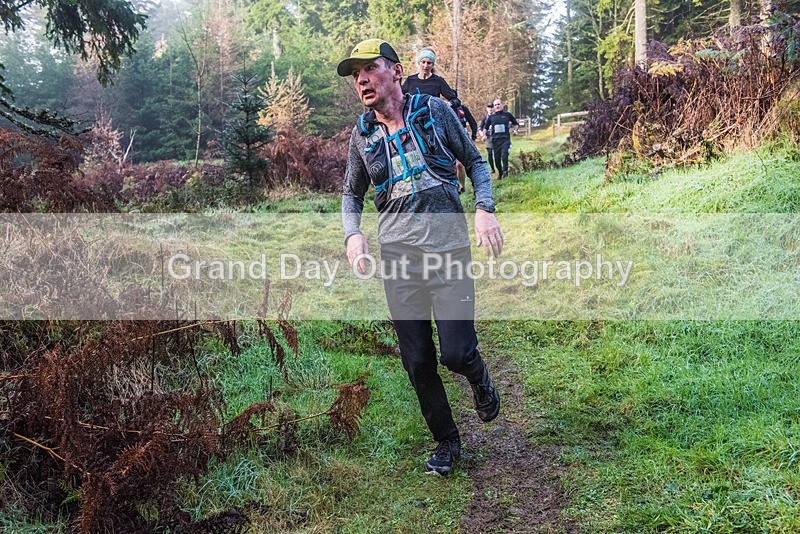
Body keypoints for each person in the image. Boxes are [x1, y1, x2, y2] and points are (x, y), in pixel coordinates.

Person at [338, 39, 503, 476]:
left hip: (448, 249)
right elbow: (350, 193)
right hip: (398, 260)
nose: (361, 79)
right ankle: (447, 441)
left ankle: (478, 374)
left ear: (394, 71)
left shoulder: (434, 110)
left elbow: (476, 161)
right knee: (417, 360)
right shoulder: (362, 134)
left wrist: (484, 208)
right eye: (356, 75)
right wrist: (353, 235)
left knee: (455, 353)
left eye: (369, 68)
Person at [484, 98, 518, 179]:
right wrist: (484, 135)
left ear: (502, 105)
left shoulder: (507, 115)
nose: (497, 106)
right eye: (495, 105)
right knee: (497, 159)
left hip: (505, 140)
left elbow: (515, 123)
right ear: (493, 107)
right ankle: (500, 172)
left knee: (504, 156)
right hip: (495, 141)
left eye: (498, 104)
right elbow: (485, 127)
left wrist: (515, 130)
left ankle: (505, 172)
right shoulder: (491, 117)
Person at [450, 98, 479, 193]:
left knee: (460, 165)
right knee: (453, 166)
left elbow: (473, 123)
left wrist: (473, 137)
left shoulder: (462, 109)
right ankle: (456, 185)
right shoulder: (443, 109)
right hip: (449, 141)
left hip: (462, 140)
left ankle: (462, 186)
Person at [478, 102, 496, 174]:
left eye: (491, 107)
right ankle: (492, 169)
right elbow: (479, 128)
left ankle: (500, 167)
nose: (490, 109)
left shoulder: (496, 117)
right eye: (489, 107)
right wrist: (483, 135)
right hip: (488, 137)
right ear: (487, 109)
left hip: (496, 136)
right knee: (489, 153)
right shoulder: (485, 118)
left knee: (497, 153)